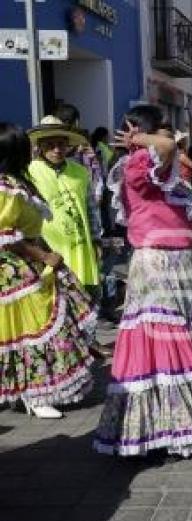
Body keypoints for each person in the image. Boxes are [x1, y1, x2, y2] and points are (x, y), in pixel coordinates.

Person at [93, 105, 192, 456]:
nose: (172, 136)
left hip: (179, 262)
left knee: (188, 336)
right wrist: (141, 139)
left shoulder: (165, 173)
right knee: (168, 340)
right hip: (158, 264)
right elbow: (165, 148)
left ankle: (187, 422)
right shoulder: (136, 164)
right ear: (141, 133)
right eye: (163, 129)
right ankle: (172, 428)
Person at [0, 122, 96, 419]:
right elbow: (6, 235)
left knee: (38, 329)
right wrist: (42, 255)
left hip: (31, 260)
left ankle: (29, 391)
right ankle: (32, 394)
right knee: (30, 331)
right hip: (14, 270)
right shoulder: (6, 186)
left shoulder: (18, 181)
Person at [26, 117, 101, 296]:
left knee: (85, 299)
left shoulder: (80, 172)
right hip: (48, 251)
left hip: (81, 248)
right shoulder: (29, 172)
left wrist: (96, 240)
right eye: (50, 144)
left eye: (61, 144)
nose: (57, 150)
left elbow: (90, 208)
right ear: (40, 146)